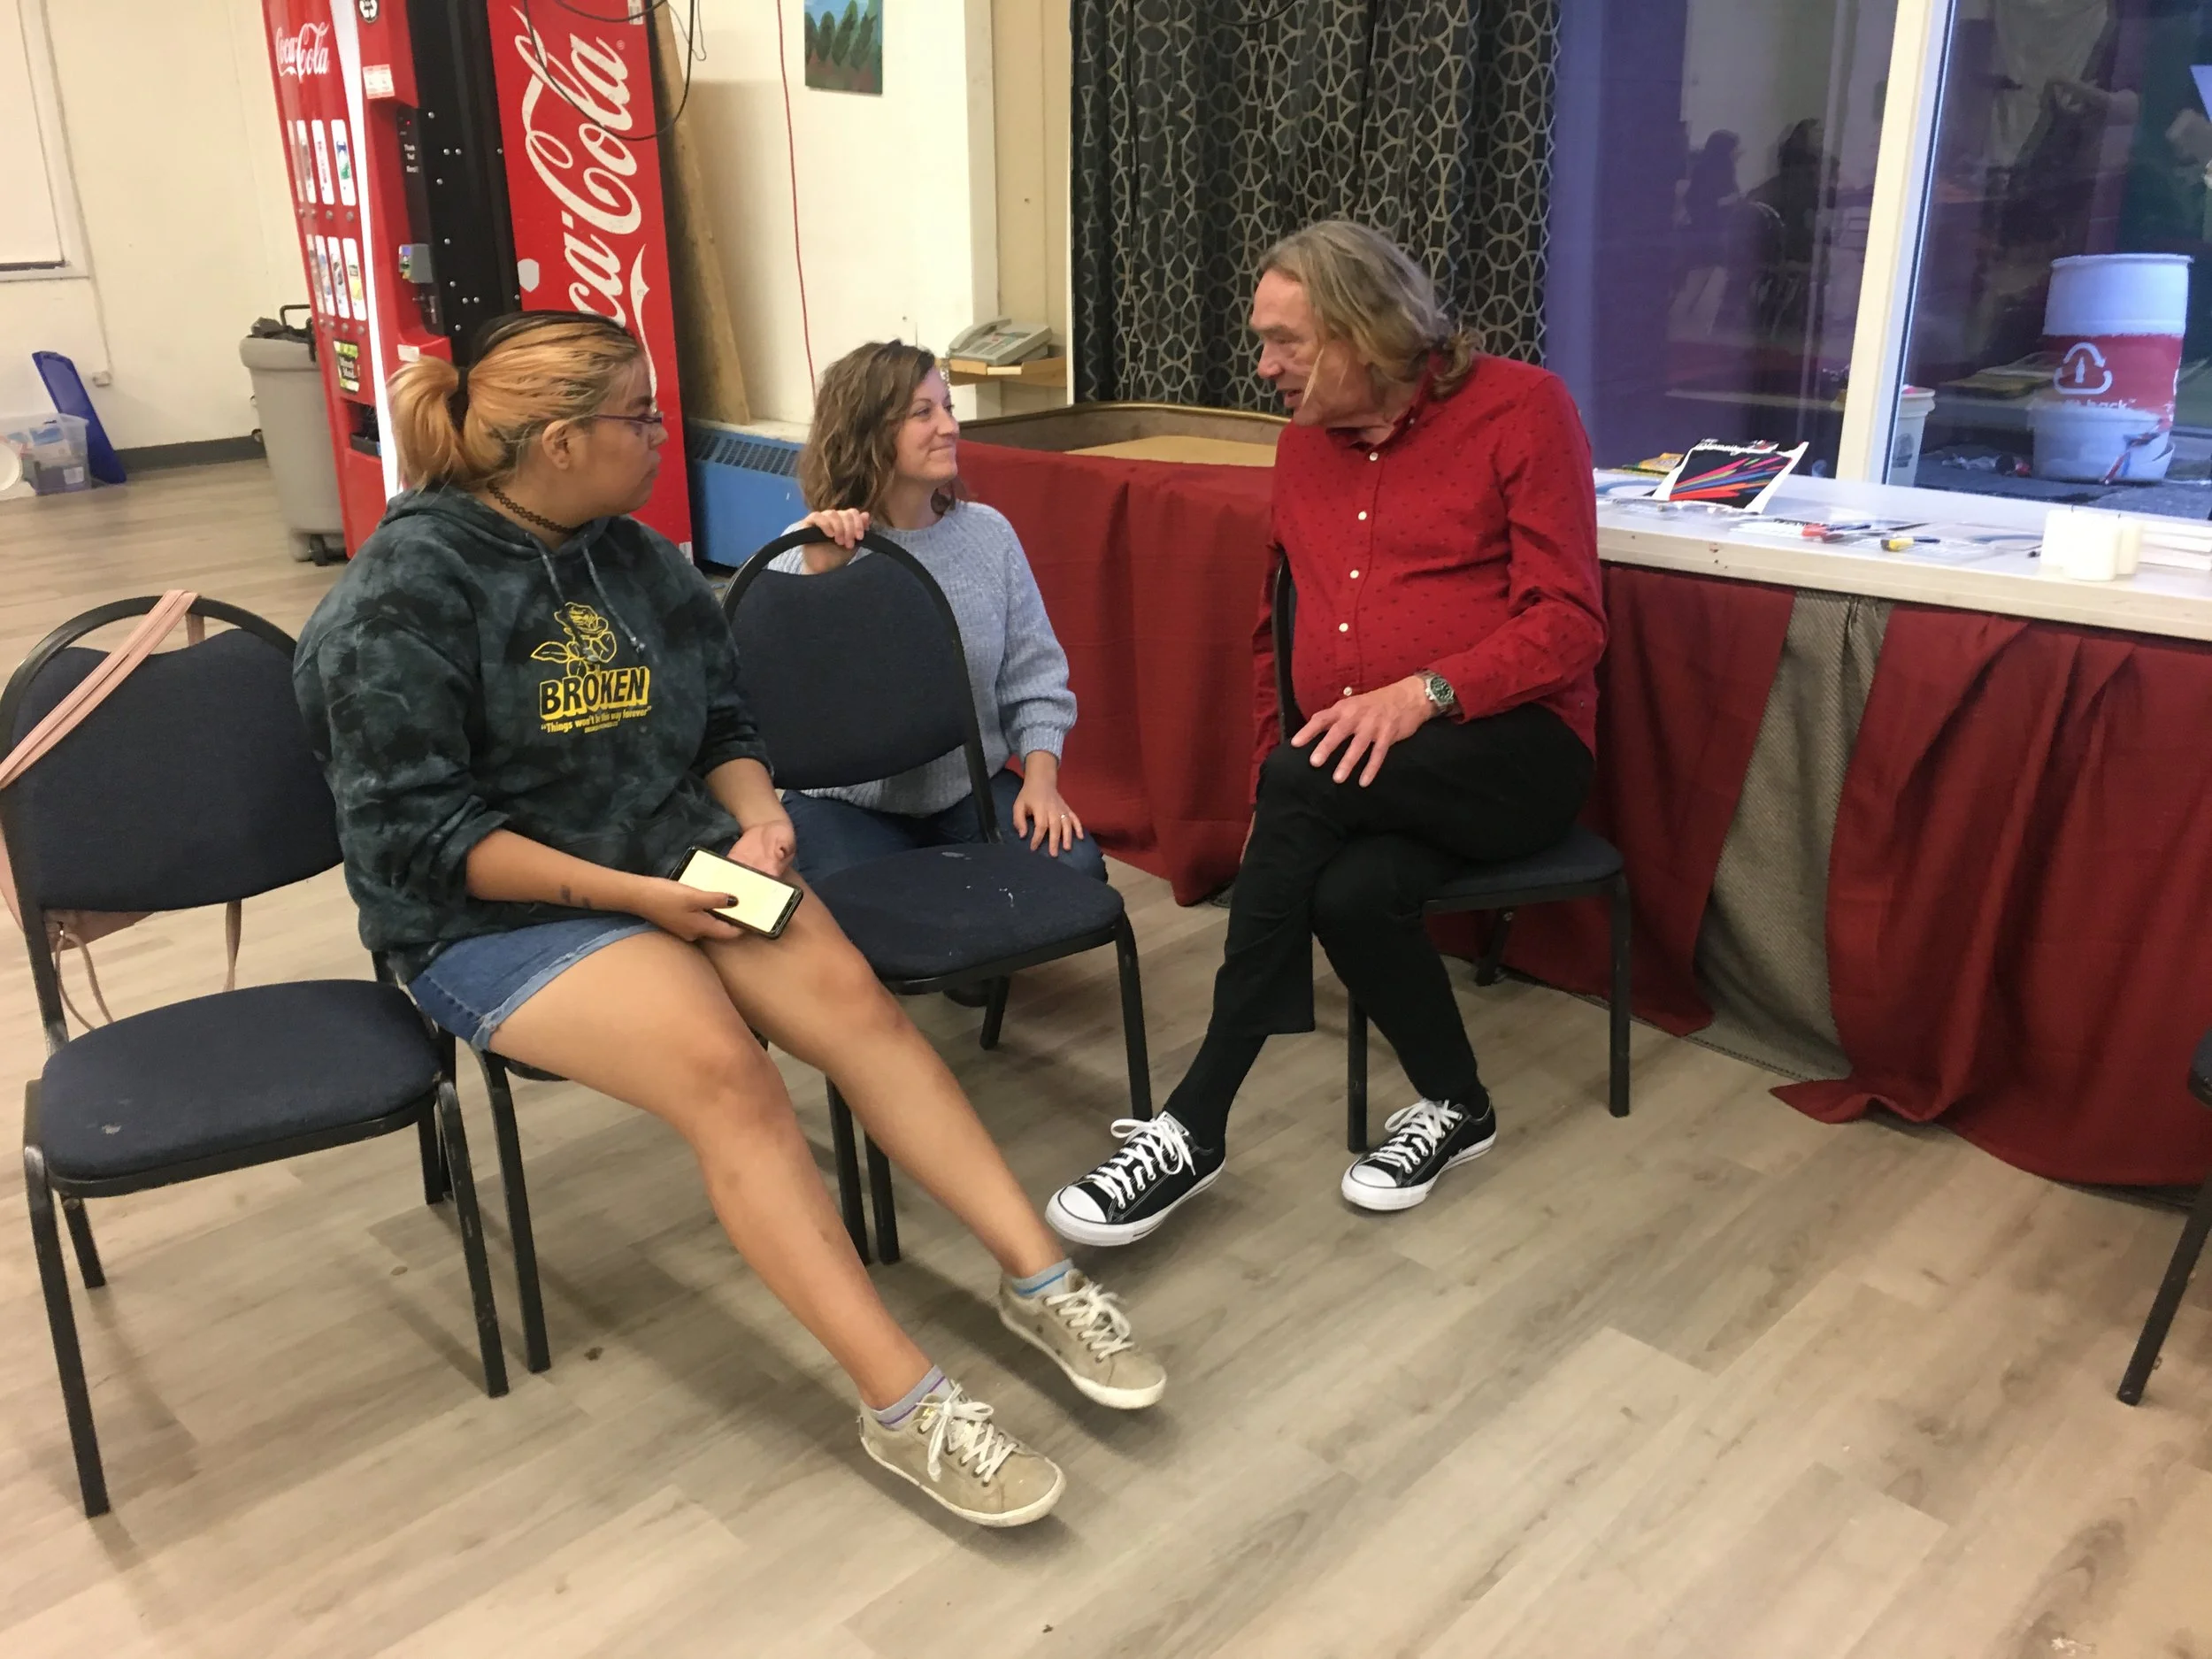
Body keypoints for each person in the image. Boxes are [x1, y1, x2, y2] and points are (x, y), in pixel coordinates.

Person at [292, 311, 1163, 1529]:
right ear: (554, 442)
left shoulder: (633, 557)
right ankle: (905, 1403)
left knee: (854, 1005)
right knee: (724, 1066)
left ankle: (1040, 1274)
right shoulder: (403, 596)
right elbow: (423, 839)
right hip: (486, 916)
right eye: (639, 417)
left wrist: (756, 822)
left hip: (677, 862)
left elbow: (721, 727)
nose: (661, 434)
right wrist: (654, 899)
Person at [1045, 222, 1606, 1245]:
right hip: (1364, 769)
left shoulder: (1524, 409)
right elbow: (1276, 628)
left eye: (1284, 343)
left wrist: (1424, 692)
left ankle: (1194, 1123)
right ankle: (1458, 1104)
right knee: (1351, 892)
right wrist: (1279, 761)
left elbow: (1571, 623)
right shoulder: (1304, 449)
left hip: (1516, 755)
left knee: (1308, 786)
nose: (1263, 368)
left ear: (1365, 332)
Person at [772, 340, 1104, 888]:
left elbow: (1035, 677)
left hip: (967, 789)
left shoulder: (988, 534)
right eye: (923, 413)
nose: (949, 426)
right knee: (865, 907)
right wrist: (824, 580)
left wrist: (1040, 783)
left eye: (947, 407)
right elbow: (782, 703)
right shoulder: (799, 553)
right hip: (848, 805)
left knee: (1075, 870)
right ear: (867, 432)